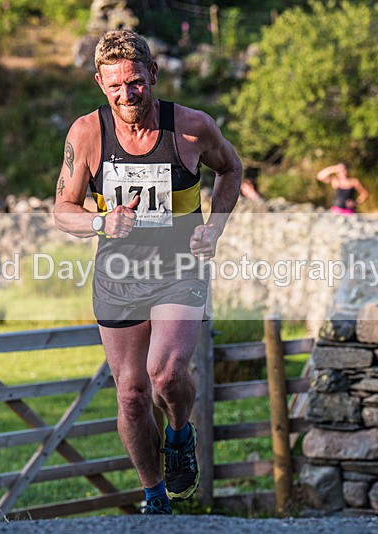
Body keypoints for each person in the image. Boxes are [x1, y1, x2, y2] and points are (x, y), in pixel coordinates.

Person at [53, 29, 242, 515]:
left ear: (153, 75)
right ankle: (155, 497)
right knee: (133, 397)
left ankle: (179, 432)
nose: (127, 94)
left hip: (180, 267)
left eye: (135, 82)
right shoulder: (87, 134)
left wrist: (214, 227)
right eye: (115, 86)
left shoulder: (192, 127)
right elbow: (63, 208)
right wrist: (101, 221)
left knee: (165, 373)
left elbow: (231, 169)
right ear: (100, 83)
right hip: (118, 275)